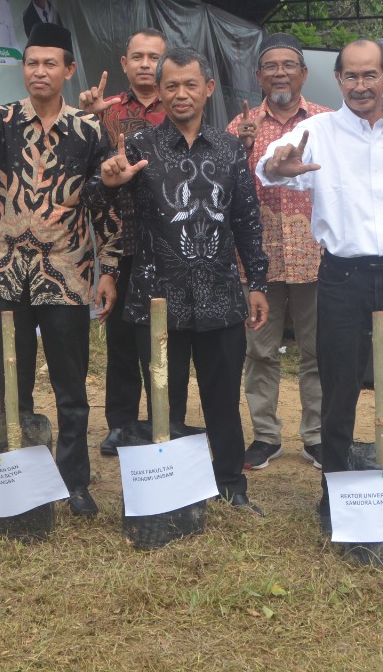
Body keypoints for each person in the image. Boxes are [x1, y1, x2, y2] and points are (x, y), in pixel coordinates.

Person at [258, 39, 383, 535]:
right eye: (350, 76)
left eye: (370, 76)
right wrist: (278, 167)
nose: (360, 86)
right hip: (343, 275)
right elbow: (271, 167)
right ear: (338, 79)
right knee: (339, 383)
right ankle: (337, 494)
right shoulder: (317, 130)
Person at [0, 22, 119, 516]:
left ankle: (74, 482)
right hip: (9, 277)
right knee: (12, 384)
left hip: (67, 272)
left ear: (68, 69)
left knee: (71, 388)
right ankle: (19, 476)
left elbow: (105, 199)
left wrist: (110, 268)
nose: (39, 72)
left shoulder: (88, 128)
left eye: (49, 64)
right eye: (31, 63)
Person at [98, 46, 270, 514]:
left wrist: (257, 281)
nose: (180, 94)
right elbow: (110, 210)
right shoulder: (139, 146)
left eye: (190, 84)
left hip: (219, 295)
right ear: (160, 89)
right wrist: (108, 183)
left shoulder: (231, 148)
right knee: (163, 401)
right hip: (157, 297)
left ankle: (231, 483)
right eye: (170, 85)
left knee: (222, 399)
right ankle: (170, 490)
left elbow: (247, 221)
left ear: (207, 89)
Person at [227, 33, 331, 471]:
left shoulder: (327, 123)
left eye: (289, 65)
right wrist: (244, 149)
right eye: (271, 66)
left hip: (317, 256)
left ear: (304, 73)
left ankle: (318, 436)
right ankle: (266, 436)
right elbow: (227, 191)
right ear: (259, 77)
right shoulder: (240, 127)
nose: (280, 72)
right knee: (260, 351)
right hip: (259, 261)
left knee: (318, 350)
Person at [79, 28, 182, 453]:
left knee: (164, 340)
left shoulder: (178, 105)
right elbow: (88, 177)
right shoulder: (105, 111)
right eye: (136, 56)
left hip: (167, 241)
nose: (144, 64)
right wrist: (90, 118)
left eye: (153, 57)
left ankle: (165, 422)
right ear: (124, 64)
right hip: (118, 241)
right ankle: (120, 423)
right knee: (121, 335)